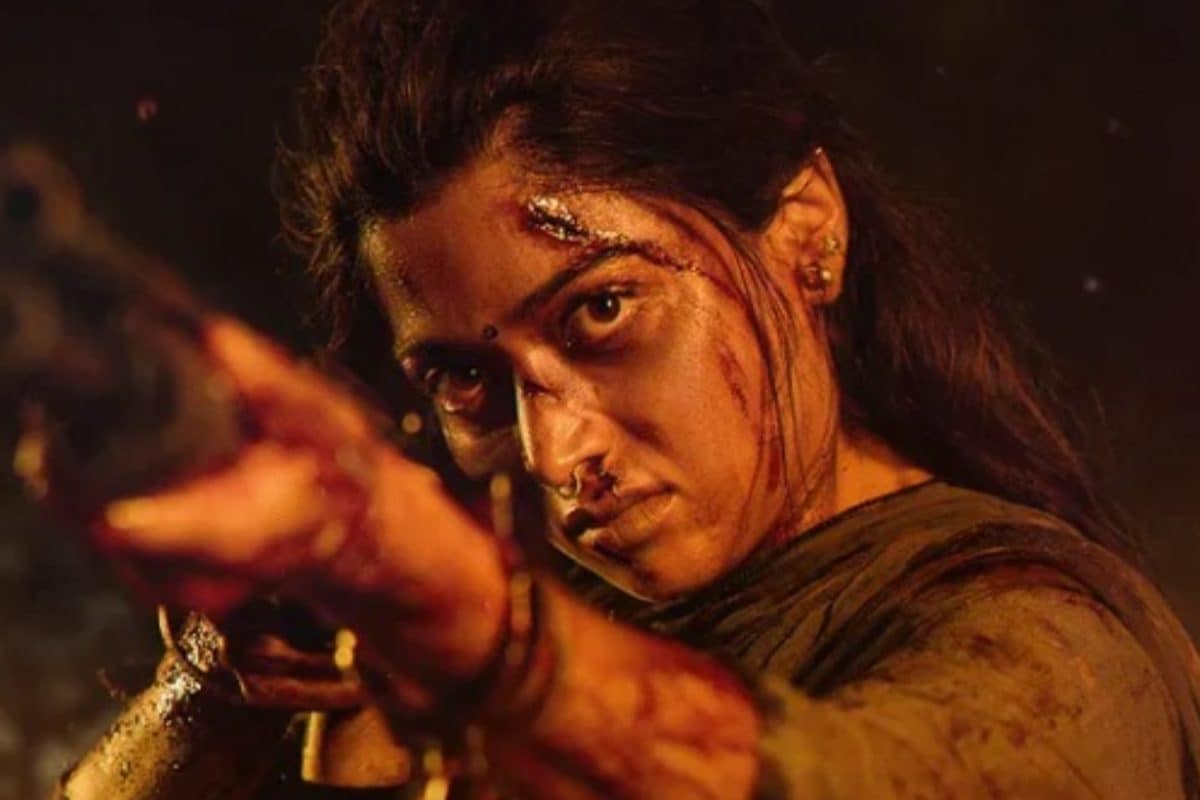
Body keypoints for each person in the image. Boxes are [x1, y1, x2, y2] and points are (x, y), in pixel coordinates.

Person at [45, 0, 1200, 798]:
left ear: (807, 232)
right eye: (466, 379)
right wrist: (222, 680)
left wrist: (471, 626)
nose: (557, 452)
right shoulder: (534, 622)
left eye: (601, 310)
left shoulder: (1052, 638)